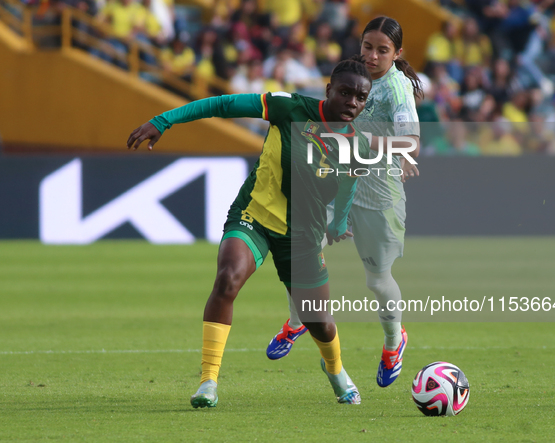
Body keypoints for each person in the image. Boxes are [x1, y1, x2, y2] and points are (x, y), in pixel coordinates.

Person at [126, 56, 374, 407]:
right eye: (345, 92)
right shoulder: (288, 107)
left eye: (360, 97)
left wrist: (338, 223)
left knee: (319, 322)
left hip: (302, 236)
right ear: (329, 89)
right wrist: (163, 120)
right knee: (228, 279)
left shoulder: (357, 146)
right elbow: (223, 104)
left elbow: (348, 188)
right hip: (254, 215)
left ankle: (335, 370)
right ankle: (208, 383)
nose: (352, 102)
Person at [265, 16, 422, 390]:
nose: (372, 55)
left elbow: (412, 144)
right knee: (301, 254)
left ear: (397, 54)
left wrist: (374, 145)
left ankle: (393, 342)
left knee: (377, 280)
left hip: (378, 192)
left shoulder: (397, 90)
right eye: (368, 46)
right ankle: (300, 317)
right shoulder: (353, 75)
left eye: (382, 50)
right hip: (334, 182)